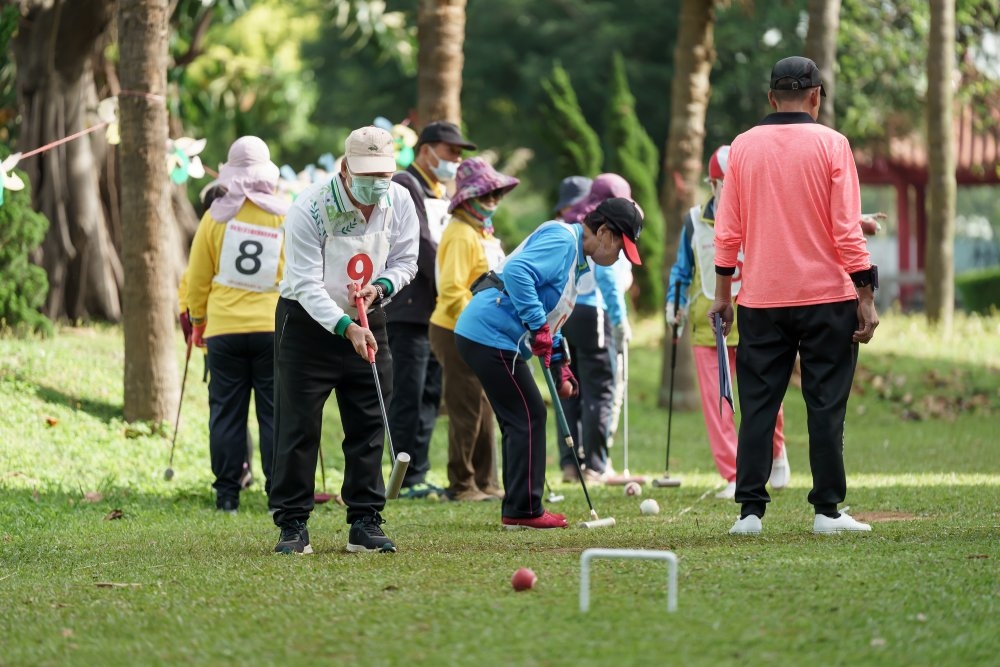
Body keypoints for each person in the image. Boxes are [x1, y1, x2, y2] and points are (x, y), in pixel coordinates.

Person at [708, 56, 879, 535]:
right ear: (816, 97)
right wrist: (866, 295)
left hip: (761, 299)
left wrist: (723, 294)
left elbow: (727, 229)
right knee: (826, 405)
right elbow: (847, 230)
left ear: (771, 97)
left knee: (759, 406)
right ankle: (827, 511)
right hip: (828, 298)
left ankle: (749, 513)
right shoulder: (833, 144)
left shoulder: (743, 146)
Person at [269, 125, 419, 554]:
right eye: (367, 174)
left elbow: (407, 260)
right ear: (345, 169)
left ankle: (365, 521)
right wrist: (344, 327)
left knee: (369, 421)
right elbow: (305, 283)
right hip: (307, 324)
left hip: (369, 315)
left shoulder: (400, 200)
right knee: (298, 425)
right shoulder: (310, 207)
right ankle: (292, 524)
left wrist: (381, 288)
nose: (377, 183)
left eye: (384, 174)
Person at [454, 197, 644, 530]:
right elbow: (518, 273)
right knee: (528, 416)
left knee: (523, 417)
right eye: (620, 248)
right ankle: (523, 511)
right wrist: (538, 325)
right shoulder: (563, 240)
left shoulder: (577, 261)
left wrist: (559, 363)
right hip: (489, 333)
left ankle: (519, 507)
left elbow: (548, 313)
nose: (618, 258)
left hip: (495, 338)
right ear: (603, 232)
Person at [666, 145, 790, 500]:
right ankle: (734, 474)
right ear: (713, 184)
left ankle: (777, 450)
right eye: (727, 182)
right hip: (709, 327)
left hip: (755, 319)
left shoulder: (762, 214)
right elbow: (681, 270)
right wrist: (673, 304)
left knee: (766, 395)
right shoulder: (694, 221)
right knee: (719, 403)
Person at [184, 137, 288, 514]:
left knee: (226, 412)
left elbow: (197, 278)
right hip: (272, 329)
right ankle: (279, 493)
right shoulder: (284, 216)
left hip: (223, 330)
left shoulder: (214, 217)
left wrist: (198, 320)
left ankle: (227, 494)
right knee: (275, 412)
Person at [384, 121, 477, 500]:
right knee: (408, 394)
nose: (456, 159)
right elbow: (420, 243)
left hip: (438, 310)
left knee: (429, 394)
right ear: (426, 150)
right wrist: (450, 277)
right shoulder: (406, 184)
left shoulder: (442, 191)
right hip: (409, 309)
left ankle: (418, 472)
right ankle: (402, 476)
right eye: (451, 151)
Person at [429, 157, 519, 502]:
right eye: (485, 194)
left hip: (478, 330)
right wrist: (477, 326)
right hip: (455, 329)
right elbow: (452, 290)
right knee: (465, 406)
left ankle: (486, 481)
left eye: (496, 194)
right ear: (468, 198)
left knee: (484, 405)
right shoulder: (459, 233)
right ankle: (462, 484)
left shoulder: (481, 231)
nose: (493, 200)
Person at [557, 174, 634, 483]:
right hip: (595, 315)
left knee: (570, 388)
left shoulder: (576, 222)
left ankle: (570, 465)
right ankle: (597, 466)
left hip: (566, 313)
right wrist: (620, 319)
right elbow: (608, 278)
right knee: (599, 391)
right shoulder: (608, 229)